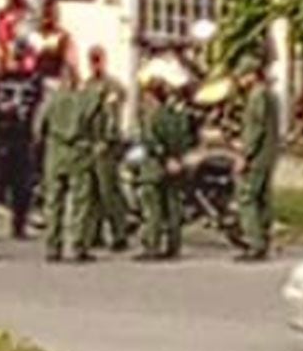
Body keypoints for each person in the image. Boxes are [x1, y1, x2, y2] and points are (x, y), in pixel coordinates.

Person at [35, 64, 100, 263]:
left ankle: (53, 246)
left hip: (55, 153)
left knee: (53, 202)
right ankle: (78, 245)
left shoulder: (50, 100)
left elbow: (38, 128)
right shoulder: (85, 100)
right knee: (80, 202)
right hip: (79, 153)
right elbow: (95, 123)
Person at [133, 73, 193, 262]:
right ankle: (174, 245)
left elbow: (151, 141)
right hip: (175, 164)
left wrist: (164, 157)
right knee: (173, 205)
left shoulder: (151, 116)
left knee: (153, 208)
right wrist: (177, 158)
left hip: (154, 166)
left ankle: (152, 245)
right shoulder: (174, 114)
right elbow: (184, 138)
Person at [232, 55, 281, 262]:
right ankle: (264, 239)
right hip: (269, 154)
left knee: (247, 197)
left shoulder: (257, 96)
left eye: (243, 77)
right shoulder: (271, 94)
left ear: (251, 75)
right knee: (263, 198)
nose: (241, 81)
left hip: (258, 155)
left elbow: (255, 128)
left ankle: (254, 243)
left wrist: (245, 155)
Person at [85, 45, 132, 252]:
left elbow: (112, 115)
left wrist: (107, 140)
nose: (95, 64)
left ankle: (119, 233)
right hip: (90, 143)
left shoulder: (112, 86)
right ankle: (94, 233)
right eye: (92, 60)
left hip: (107, 145)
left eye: (98, 59)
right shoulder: (86, 86)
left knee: (109, 191)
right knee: (92, 191)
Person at [0, 57, 43, 240]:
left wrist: (37, 133)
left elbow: (38, 107)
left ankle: (19, 225)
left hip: (24, 138)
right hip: (3, 137)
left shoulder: (35, 80)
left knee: (23, 186)